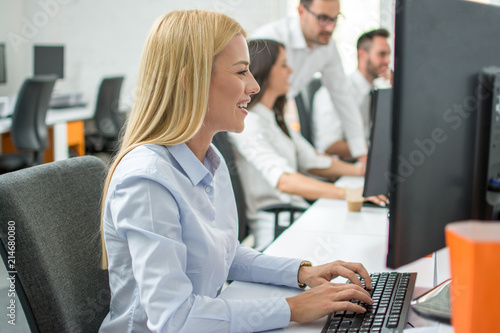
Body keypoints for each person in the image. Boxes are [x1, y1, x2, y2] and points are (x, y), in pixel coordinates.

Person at [99, 10, 373, 333]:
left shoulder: (209, 159)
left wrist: (303, 272)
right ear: (191, 80)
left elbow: (224, 253)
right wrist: (292, 309)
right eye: (242, 72)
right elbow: (175, 319)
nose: (254, 86)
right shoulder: (146, 180)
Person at [229, 39, 370, 250]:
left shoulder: (275, 118)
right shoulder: (250, 123)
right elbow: (284, 180)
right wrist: (348, 194)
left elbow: (313, 161)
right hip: (279, 227)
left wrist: (363, 172)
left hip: (297, 216)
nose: (291, 70)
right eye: (284, 64)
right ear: (266, 70)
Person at [252, 0, 368, 162]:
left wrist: (361, 152)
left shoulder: (327, 46)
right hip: (254, 116)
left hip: (279, 113)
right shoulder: (268, 39)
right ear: (301, 11)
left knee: (304, 161)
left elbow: (343, 97)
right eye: (322, 18)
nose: (330, 27)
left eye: (335, 19)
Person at [312, 28, 392, 158]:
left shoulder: (378, 92)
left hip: (366, 163)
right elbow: (330, 145)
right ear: (362, 55)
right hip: (343, 170)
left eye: (389, 55)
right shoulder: (333, 92)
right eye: (381, 54)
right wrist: (378, 151)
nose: (388, 61)